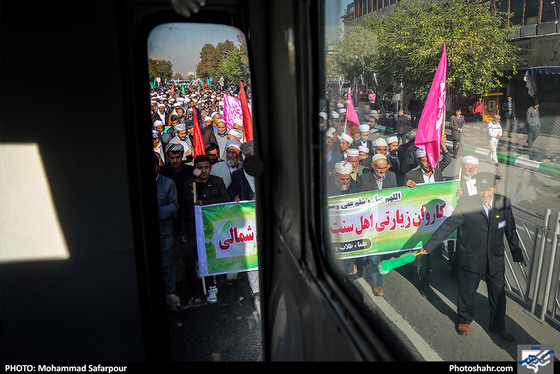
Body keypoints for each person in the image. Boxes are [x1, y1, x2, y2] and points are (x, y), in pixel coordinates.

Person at [420, 172, 526, 340]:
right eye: (482, 190)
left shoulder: (503, 203)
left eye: (489, 190)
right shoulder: (467, 203)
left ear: (495, 188)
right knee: (467, 293)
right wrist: (430, 245)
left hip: (495, 260)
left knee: (498, 295)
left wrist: (517, 252)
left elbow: (510, 230)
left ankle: (498, 326)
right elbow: (448, 225)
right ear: (476, 188)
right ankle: (464, 320)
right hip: (471, 258)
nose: (485, 194)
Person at [180, 155, 230, 304]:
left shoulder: (217, 182)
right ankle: (197, 288)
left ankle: (212, 287)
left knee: (210, 259)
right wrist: (183, 231)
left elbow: (225, 201)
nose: (203, 171)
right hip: (194, 230)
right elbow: (183, 210)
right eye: (200, 168)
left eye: (206, 167)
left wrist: (206, 203)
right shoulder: (188, 186)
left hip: (213, 229)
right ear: (195, 168)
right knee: (195, 259)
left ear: (211, 167)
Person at [405, 141, 451, 299]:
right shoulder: (412, 175)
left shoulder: (438, 172)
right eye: (424, 160)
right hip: (420, 222)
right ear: (419, 161)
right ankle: (423, 283)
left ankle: (432, 272)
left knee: (434, 250)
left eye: (430, 160)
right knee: (423, 253)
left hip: (436, 220)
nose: (428, 164)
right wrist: (407, 187)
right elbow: (404, 199)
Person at [227, 141, 261, 309]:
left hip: (265, 221)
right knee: (252, 255)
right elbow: (232, 191)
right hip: (248, 224)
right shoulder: (237, 176)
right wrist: (235, 198)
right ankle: (256, 291)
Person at [359, 153, 398, 296]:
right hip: (370, 221)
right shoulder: (364, 179)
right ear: (372, 166)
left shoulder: (392, 177)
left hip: (386, 222)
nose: (382, 171)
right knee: (374, 253)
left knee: (383, 253)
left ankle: (372, 268)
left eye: (384, 168)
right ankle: (378, 284)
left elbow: (396, 196)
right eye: (379, 168)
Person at [154, 153, 181, 309]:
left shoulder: (168, 184)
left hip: (165, 231)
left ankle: (170, 297)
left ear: (158, 166)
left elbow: (174, 205)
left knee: (167, 264)